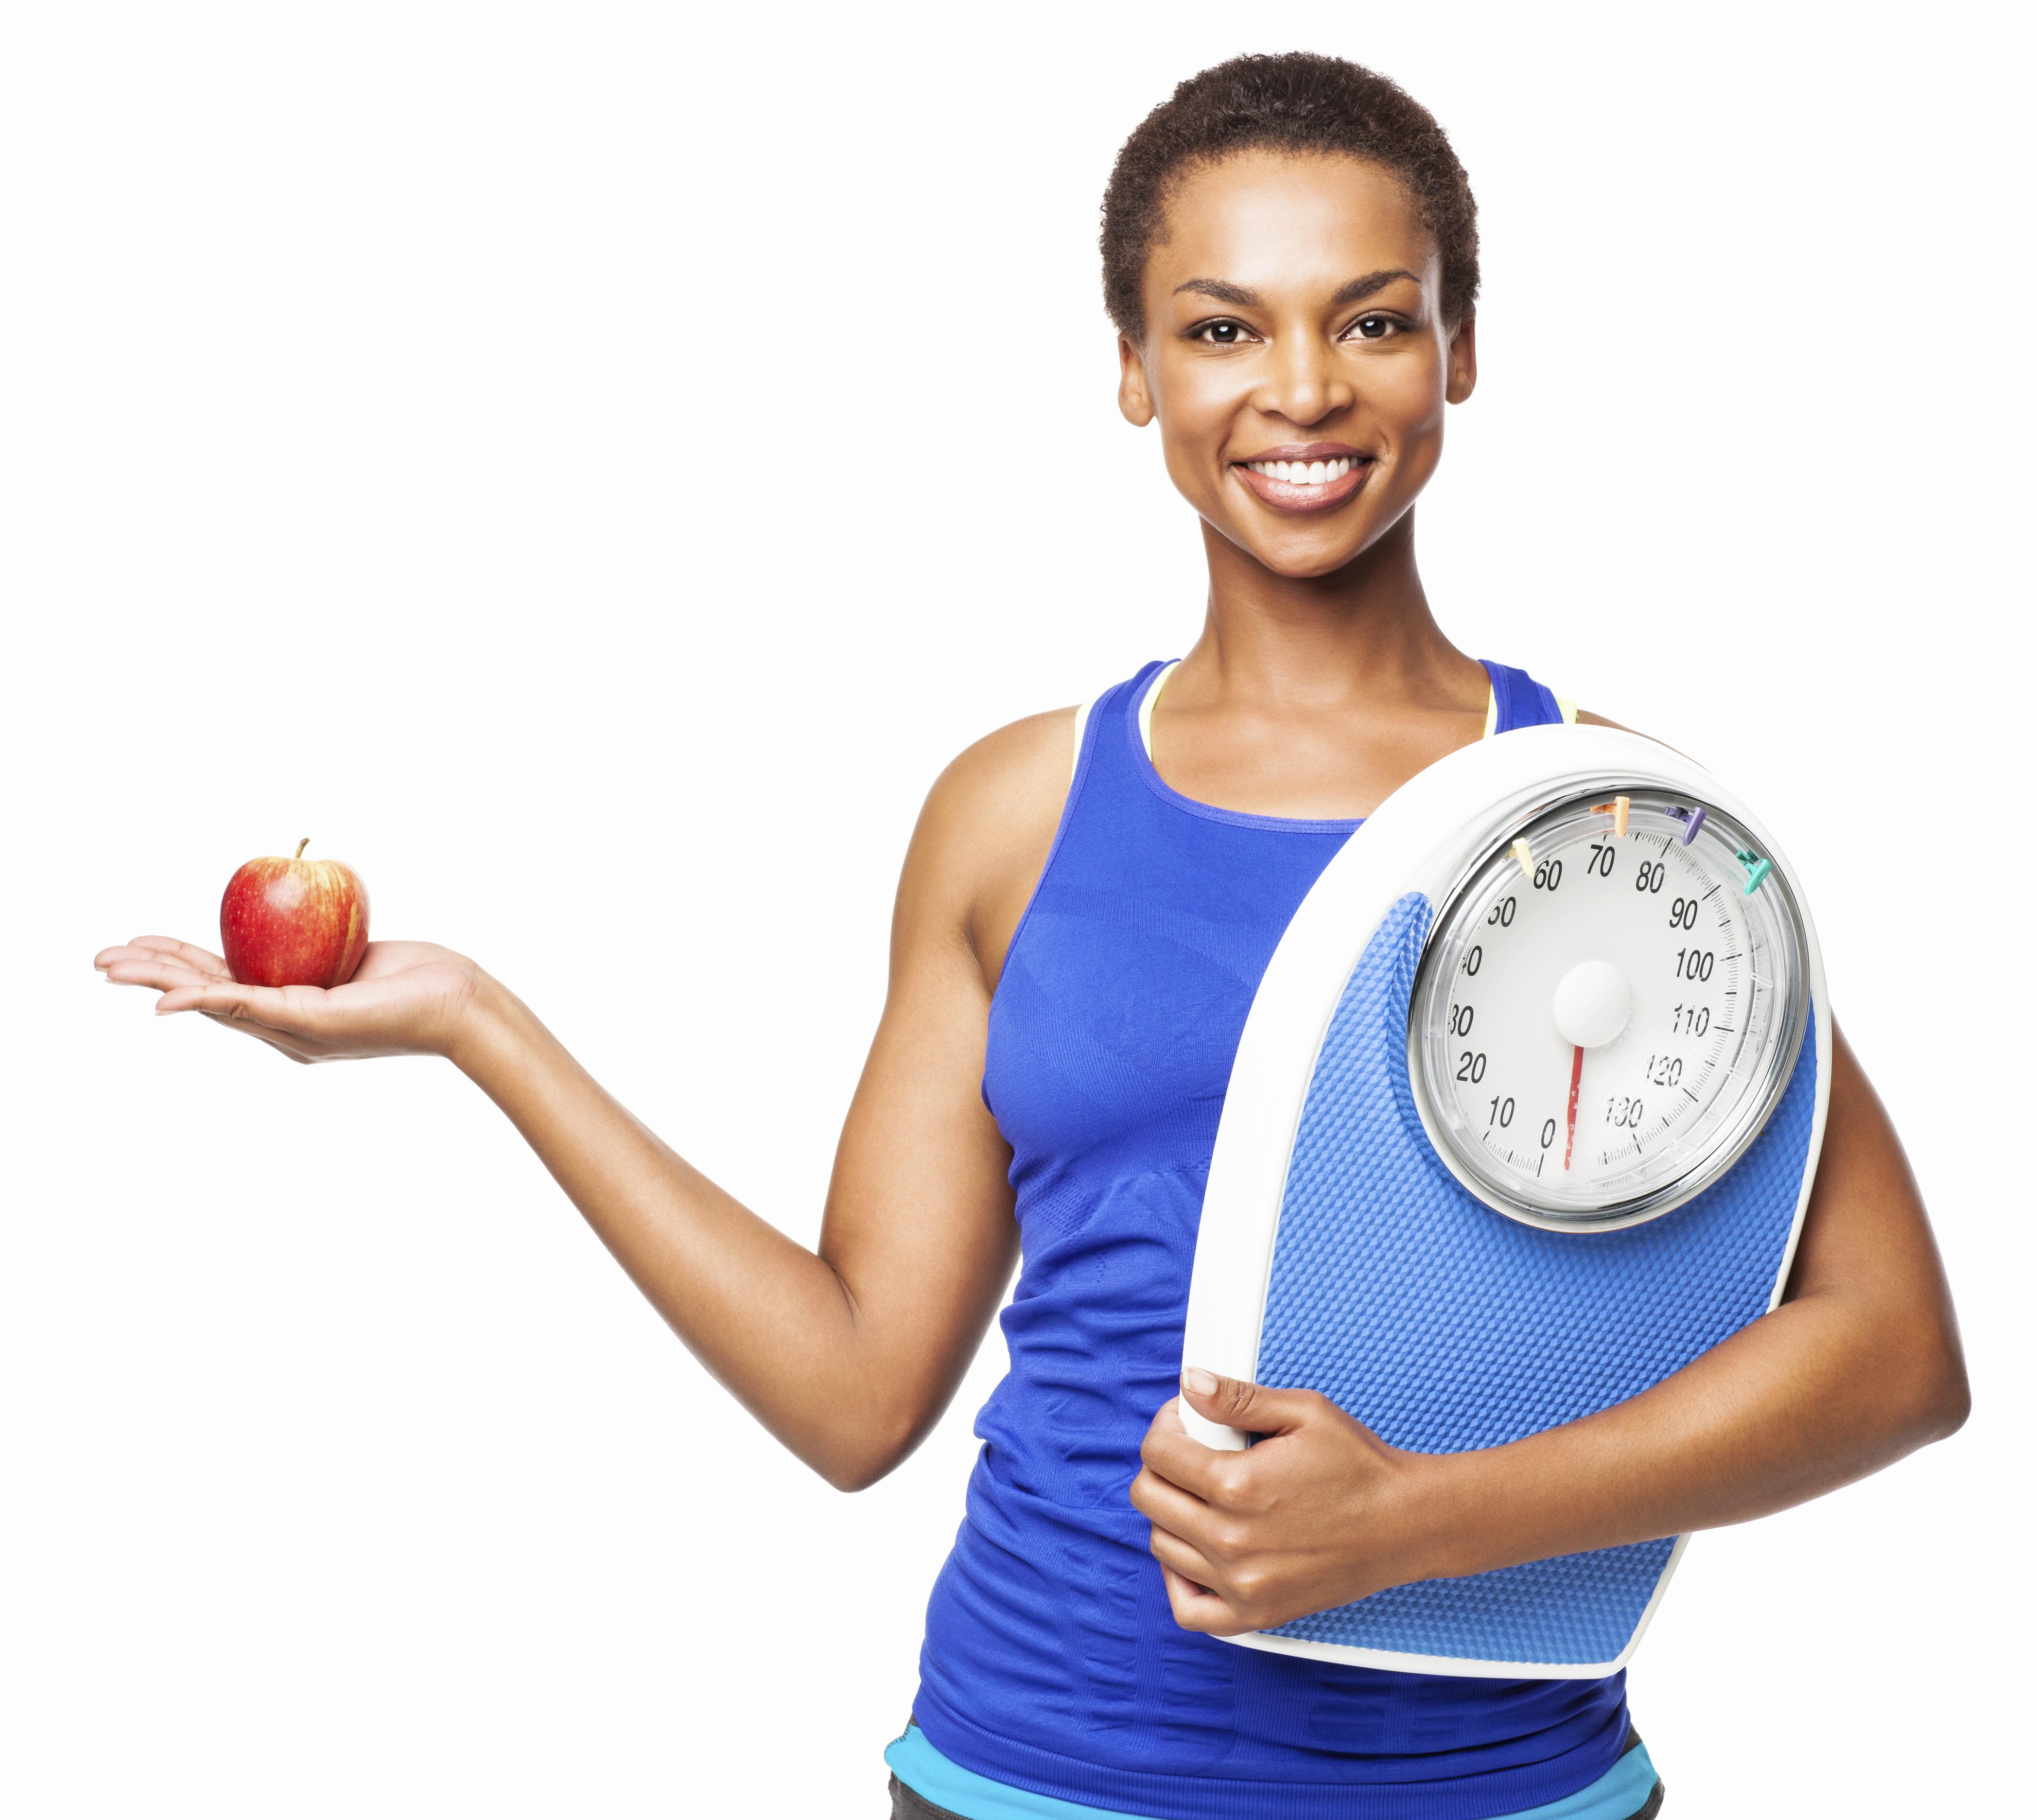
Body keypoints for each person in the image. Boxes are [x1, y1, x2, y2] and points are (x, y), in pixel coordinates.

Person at [97, 52, 1967, 1820]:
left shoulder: (1618, 822)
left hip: (1500, 1786)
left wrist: (1418, 1524)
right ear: (1137, 372)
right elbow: (853, 1394)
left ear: (1461, 351)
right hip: (1036, 1762)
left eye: (1372, 317)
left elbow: (1892, 1352)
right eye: (1222, 326)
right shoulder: (1015, 812)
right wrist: (481, 1023)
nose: (1301, 388)